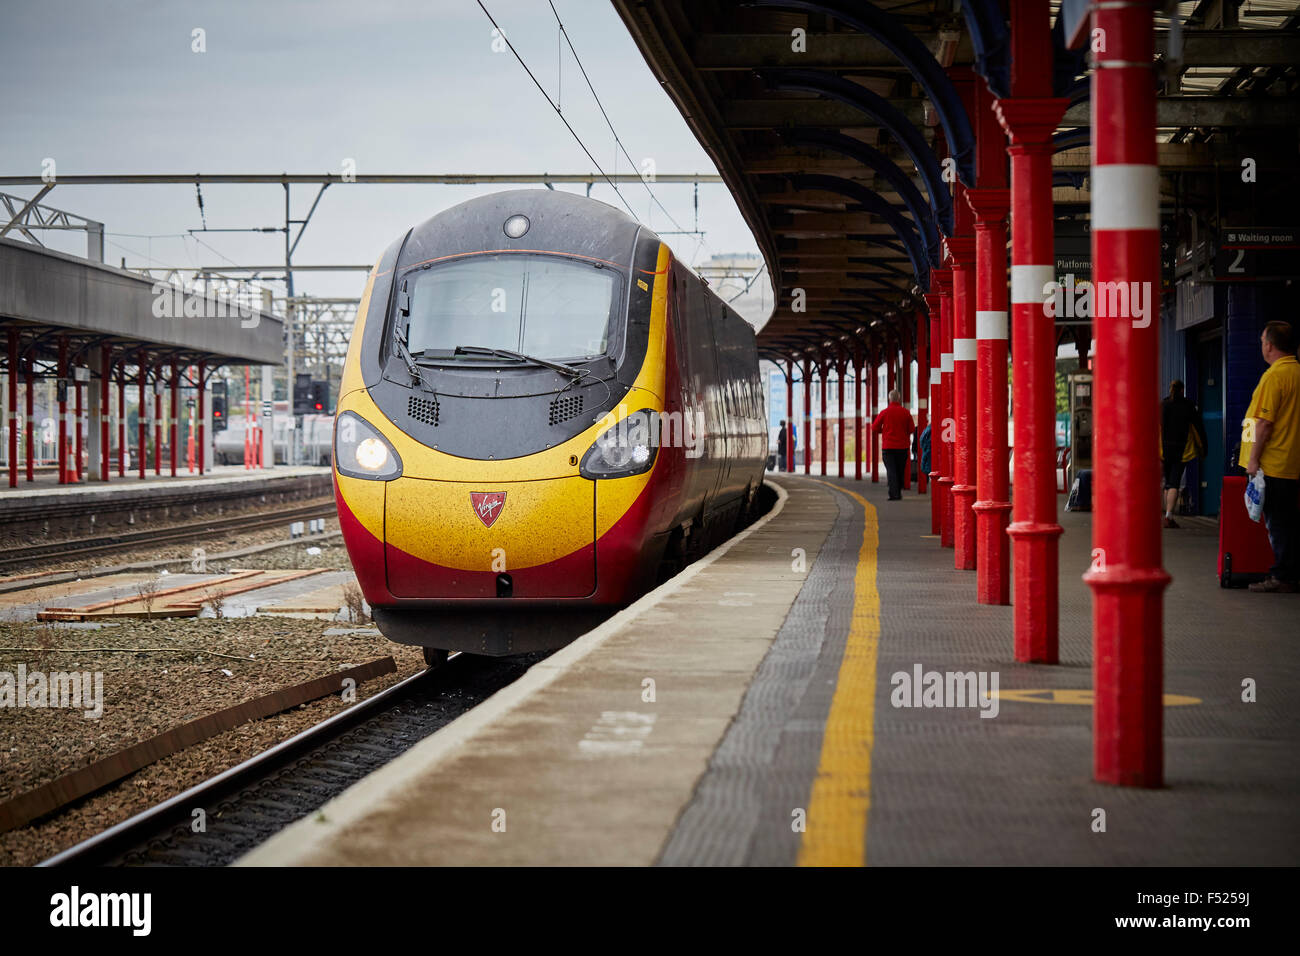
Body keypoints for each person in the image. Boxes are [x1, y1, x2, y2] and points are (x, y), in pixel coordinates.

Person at [1240, 320, 1300, 593]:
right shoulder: (1296, 373)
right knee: (1287, 521)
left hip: (1274, 463)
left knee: (1278, 524)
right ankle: (1287, 571)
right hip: (1291, 461)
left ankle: (1282, 576)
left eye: (1262, 340)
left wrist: (1253, 460)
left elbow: (1264, 422)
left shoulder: (1275, 376)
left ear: (1269, 345)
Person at [1160, 380, 1206, 528]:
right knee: (1174, 482)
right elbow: (1198, 428)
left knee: (1168, 483)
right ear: (1182, 390)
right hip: (1182, 449)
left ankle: (1166, 513)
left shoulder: (1163, 404)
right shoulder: (1188, 406)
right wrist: (1203, 448)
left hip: (1164, 449)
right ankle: (1169, 516)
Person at [871, 389, 914, 500]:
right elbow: (911, 429)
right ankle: (898, 492)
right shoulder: (906, 412)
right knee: (900, 471)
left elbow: (874, 427)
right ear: (898, 399)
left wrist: (884, 431)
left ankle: (894, 494)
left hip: (888, 447)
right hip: (902, 447)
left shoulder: (884, 412)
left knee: (891, 471)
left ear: (889, 399)